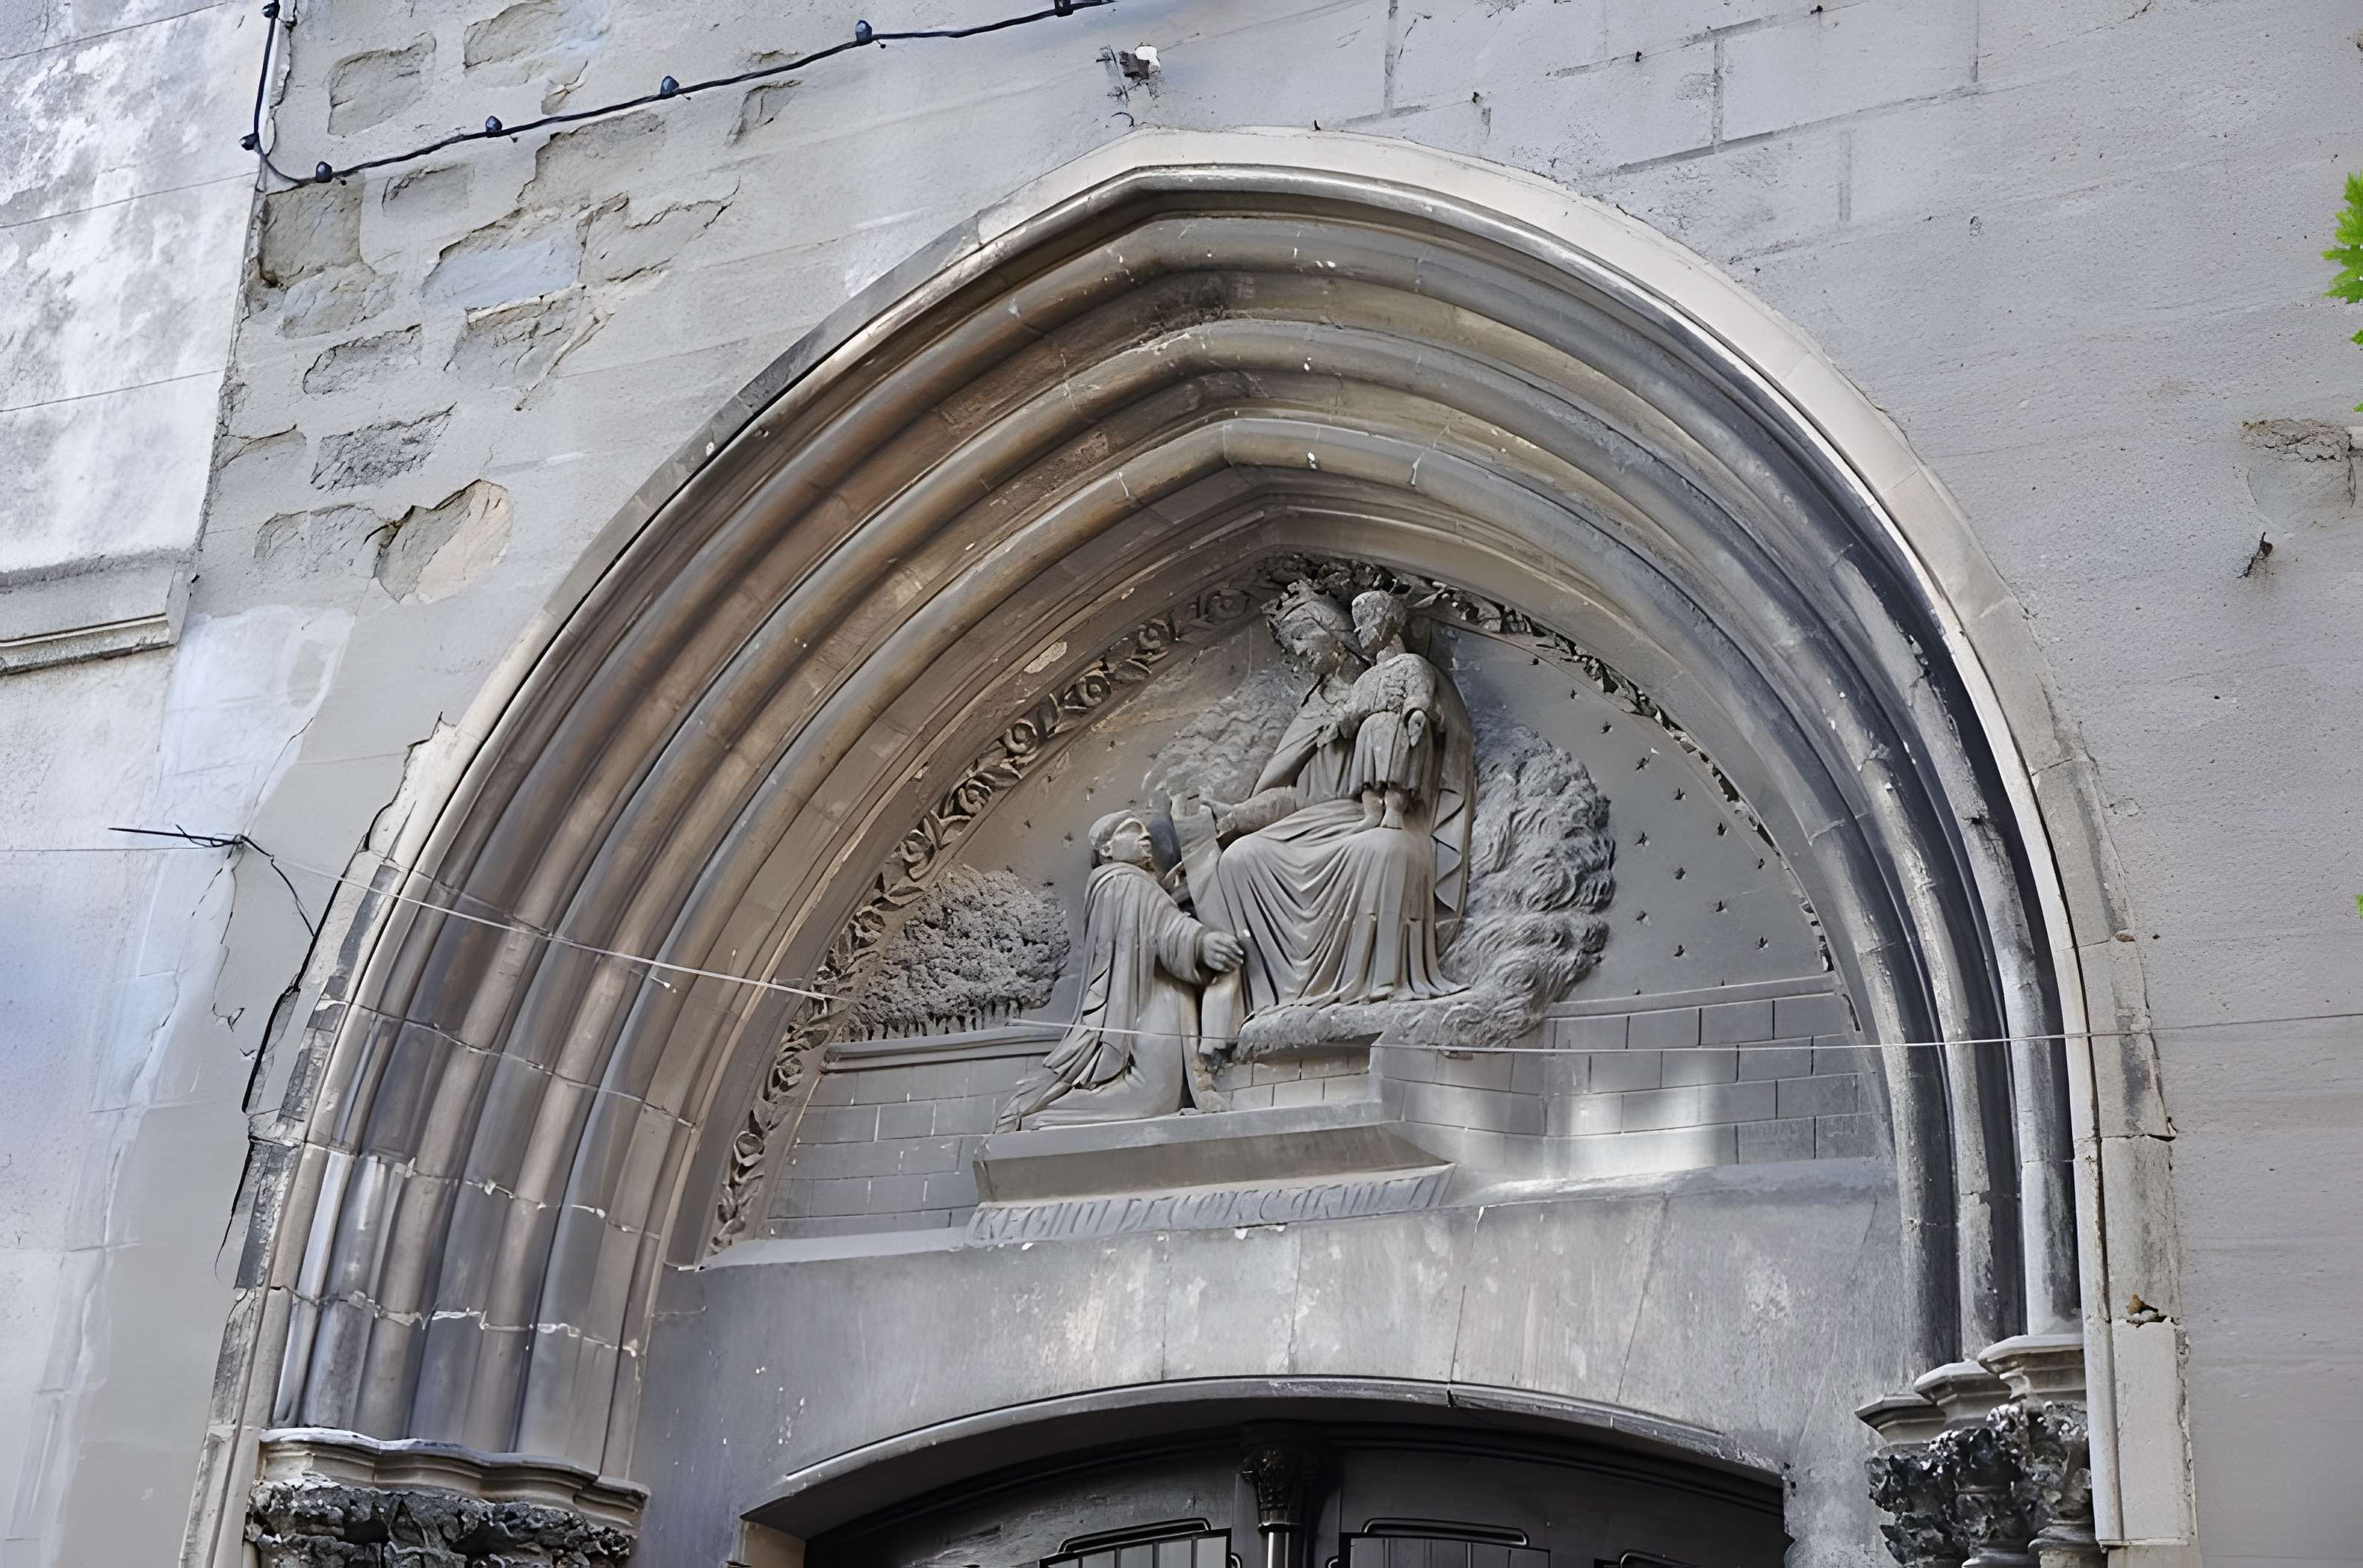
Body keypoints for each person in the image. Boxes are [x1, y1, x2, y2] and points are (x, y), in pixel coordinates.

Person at [1201, 583, 1464, 1019]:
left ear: (1335, 636)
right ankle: (1276, 999)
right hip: (1313, 823)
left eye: (1304, 638)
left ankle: (1373, 984)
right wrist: (1238, 815)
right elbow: (1297, 796)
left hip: (1369, 814)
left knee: (1384, 848)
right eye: (1292, 645)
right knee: (1240, 858)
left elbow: (1435, 732)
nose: (1301, 653)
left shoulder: (1394, 683)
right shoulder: (1317, 713)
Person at [995, 811, 1244, 1130]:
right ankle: (1038, 1120)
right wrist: (1200, 943)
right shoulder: (1119, 880)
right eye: (1133, 830)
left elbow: (1158, 925)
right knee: (1154, 1094)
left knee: (1159, 1094)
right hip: (1142, 999)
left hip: (1158, 991)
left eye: (1145, 831)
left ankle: (1036, 1119)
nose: (1145, 837)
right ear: (1107, 849)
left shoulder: (1136, 884)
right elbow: (1160, 930)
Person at [1328, 590, 1443, 831]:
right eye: (1357, 625)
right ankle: (1371, 813)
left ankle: (1395, 810)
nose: (1358, 631)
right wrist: (1344, 719)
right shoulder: (1366, 678)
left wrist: (1417, 713)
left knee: (1395, 764)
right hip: (1368, 732)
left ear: (1386, 623)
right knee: (1368, 777)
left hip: (1397, 727)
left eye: (1365, 622)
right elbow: (1354, 708)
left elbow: (1420, 692)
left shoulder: (1411, 663)